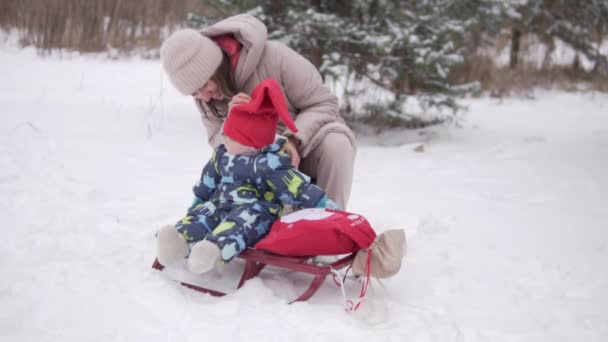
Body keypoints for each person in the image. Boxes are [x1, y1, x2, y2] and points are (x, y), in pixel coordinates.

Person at [160, 13, 356, 209]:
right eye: (194, 93)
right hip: (259, 169)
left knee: (337, 144)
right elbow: (216, 143)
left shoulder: (276, 58)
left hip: (305, 150)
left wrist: (293, 139)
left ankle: (333, 223)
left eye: (203, 86)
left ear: (215, 67)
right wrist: (233, 126)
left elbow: (323, 103)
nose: (204, 97)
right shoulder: (206, 97)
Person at [156, 79, 340, 274]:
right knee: (205, 213)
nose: (225, 137)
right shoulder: (222, 155)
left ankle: (214, 250)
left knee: (241, 224)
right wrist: (199, 201)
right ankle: (179, 241)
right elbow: (207, 181)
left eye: (231, 136)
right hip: (222, 203)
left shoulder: (269, 164)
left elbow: (297, 187)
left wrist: (323, 204)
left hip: (256, 210)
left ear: (250, 145)